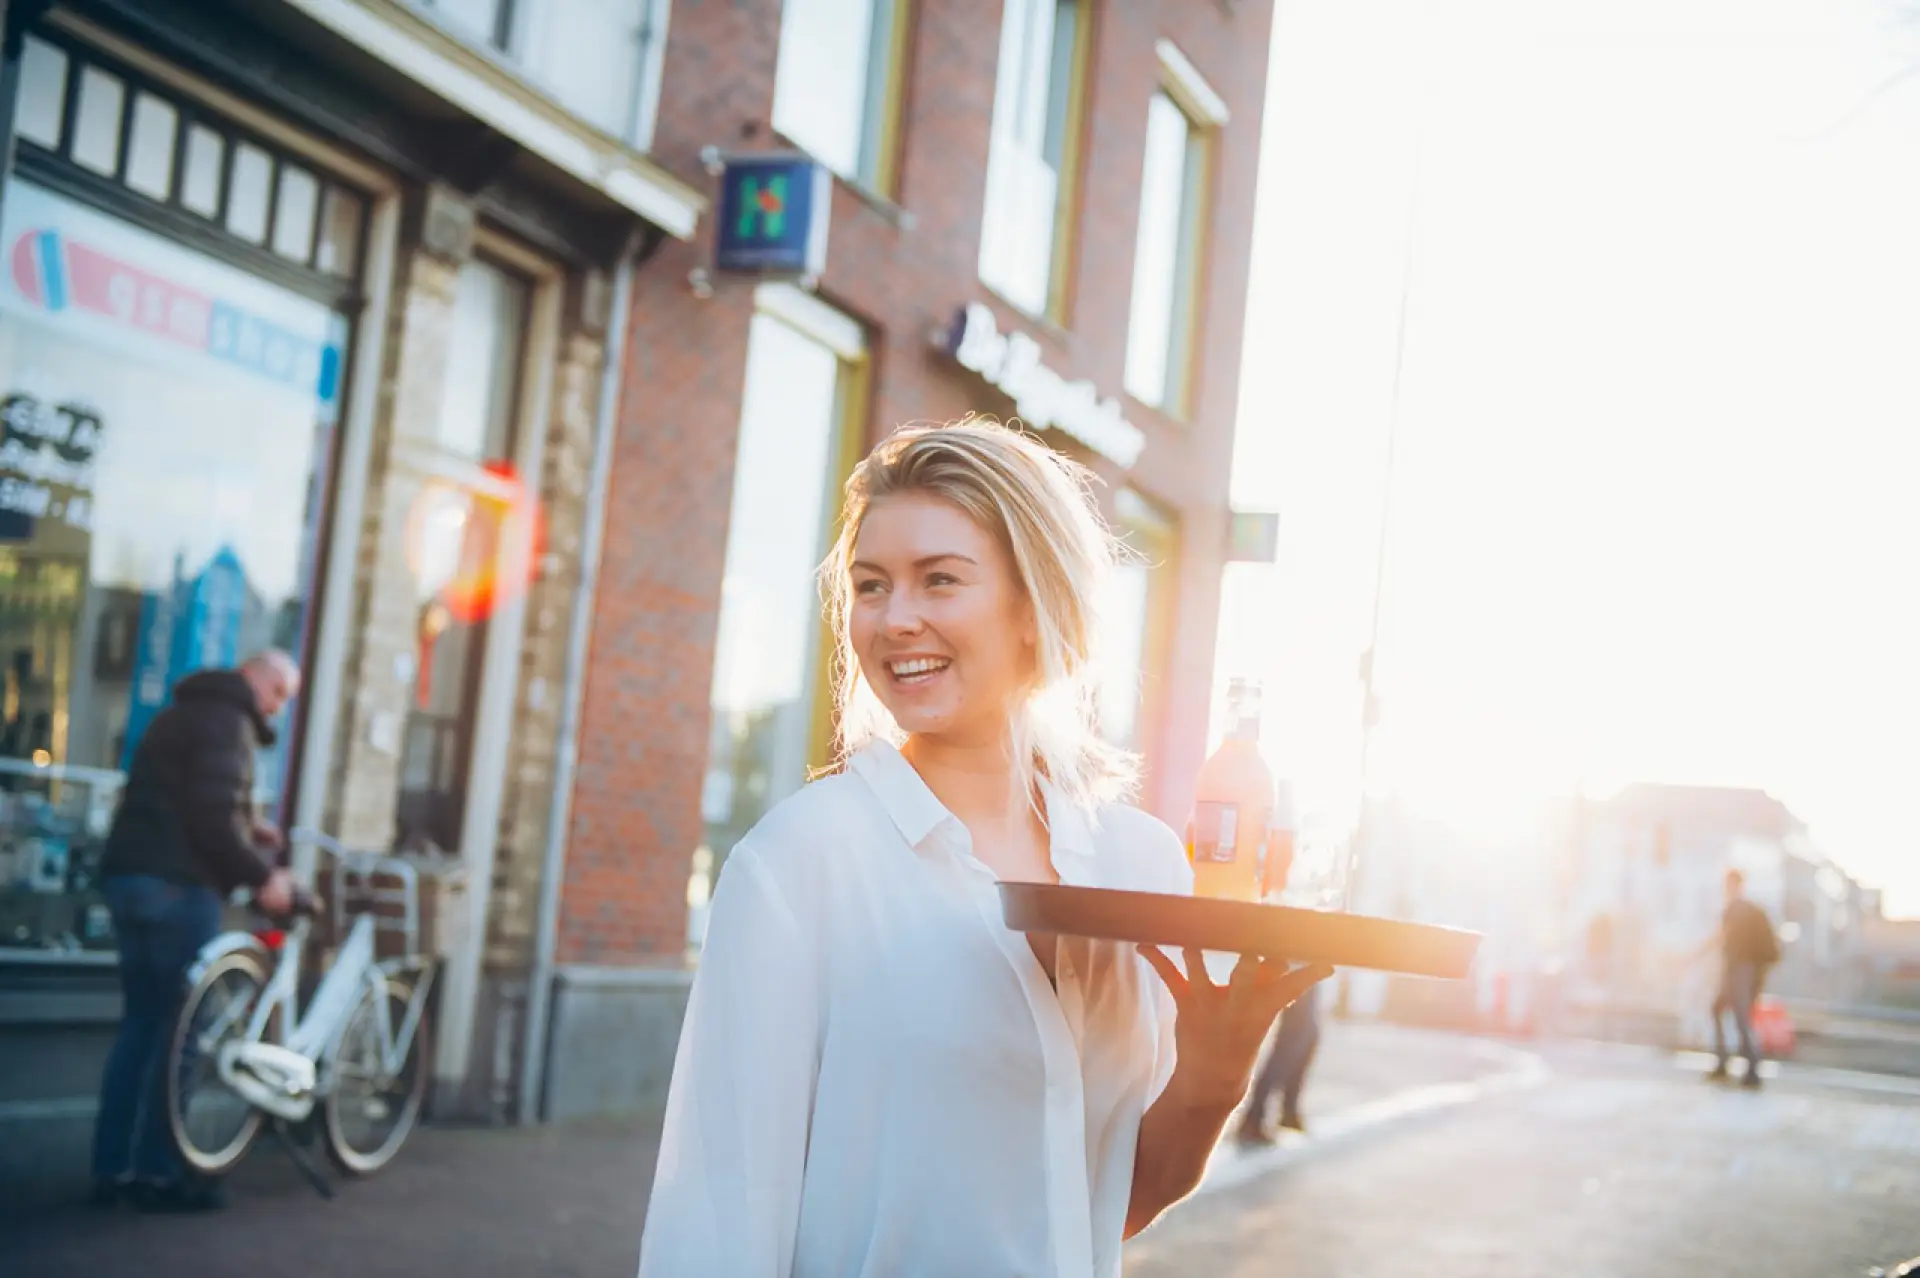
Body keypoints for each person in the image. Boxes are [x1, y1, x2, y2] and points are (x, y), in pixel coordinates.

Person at [637, 420, 1331, 1277]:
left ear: (1036, 607)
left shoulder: (1138, 865)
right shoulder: (799, 865)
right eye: (871, 585)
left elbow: (1112, 1204)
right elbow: (719, 1222)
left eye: (940, 581)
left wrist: (1219, 1073)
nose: (895, 620)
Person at [89, 651, 301, 1212]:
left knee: (141, 1026)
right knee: (181, 1036)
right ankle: (162, 1174)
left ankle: (111, 1168)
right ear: (256, 678)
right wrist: (262, 878)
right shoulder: (228, 724)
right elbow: (208, 818)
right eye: (278, 691)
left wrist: (245, 824)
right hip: (179, 888)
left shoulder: (179, 713)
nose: (277, 706)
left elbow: (180, 799)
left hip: (129, 878)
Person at [1699, 868, 1780, 1088]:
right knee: (1723, 1011)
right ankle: (1729, 1064)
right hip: (1743, 971)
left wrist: (1693, 957)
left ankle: (1748, 1069)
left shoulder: (1736, 910)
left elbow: (1720, 939)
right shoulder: (1744, 909)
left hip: (1739, 971)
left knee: (1740, 1019)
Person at [1238, 982, 1322, 1141]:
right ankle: (1254, 1117)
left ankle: (1288, 1110)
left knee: (1308, 1035)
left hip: (1310, 962)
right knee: (1293, 1038)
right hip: (1298, 963)